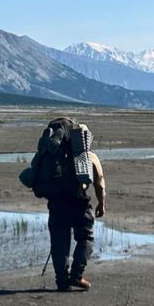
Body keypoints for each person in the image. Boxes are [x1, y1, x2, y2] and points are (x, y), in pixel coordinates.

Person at [43, 121, 106, 292]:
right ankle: (77, 276)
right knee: (86, 238)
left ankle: (62, 281)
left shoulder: (52, 155)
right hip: (78, 203)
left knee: (59, 242)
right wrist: (101, 203)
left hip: (56, 203)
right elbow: (99, 182)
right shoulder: (87, 157)